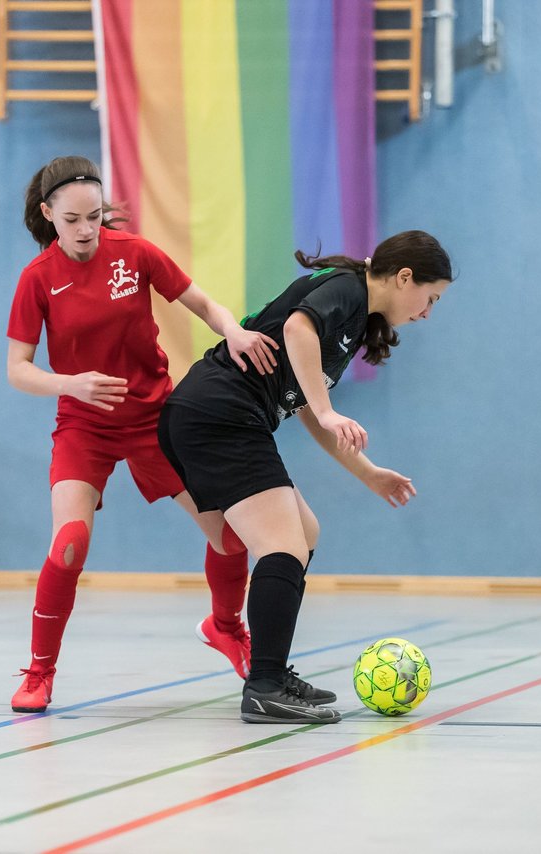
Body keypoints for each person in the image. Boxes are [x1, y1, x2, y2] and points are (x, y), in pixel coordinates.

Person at [5, 155, 279, 713]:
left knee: (231, 538)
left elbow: (201, 302)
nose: (86, 229)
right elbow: (18, 369)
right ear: (48, 215)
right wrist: (71, 384)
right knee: (68, 546)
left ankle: (226, 627)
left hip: (155, 419)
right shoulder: (37, 280)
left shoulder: (134, 254)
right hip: (83, 425)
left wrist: (233, 330)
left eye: (95, 215)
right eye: (74, 219)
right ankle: (39, 672)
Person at [158, 230, 453, 723]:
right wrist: (329, 406)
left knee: (303, 534)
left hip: (219, 416)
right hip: (218, 414)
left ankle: (271, 671)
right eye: (430, 297)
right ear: (404, 278)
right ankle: (264, 685)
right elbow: (298, 330)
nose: (427, 312)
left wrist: (369, 474)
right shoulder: (347, 287)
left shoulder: (355, 319)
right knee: (283, 546)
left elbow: (307, 412)